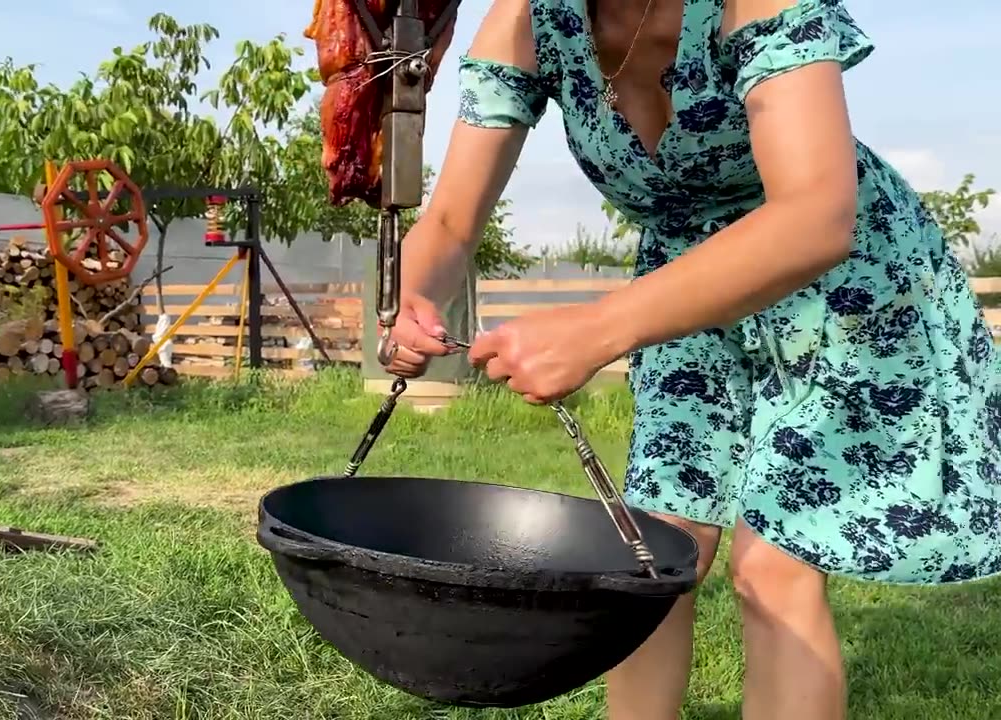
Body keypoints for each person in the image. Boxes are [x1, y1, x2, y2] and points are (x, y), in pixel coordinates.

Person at [383, 0, 1001, 717]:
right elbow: (452, 220)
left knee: (774, 567)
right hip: (685, 288)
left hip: (836, 282)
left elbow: (814, 214)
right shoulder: (525, 20)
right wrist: (410, 297)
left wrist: (597, 329)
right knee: (655, 553)